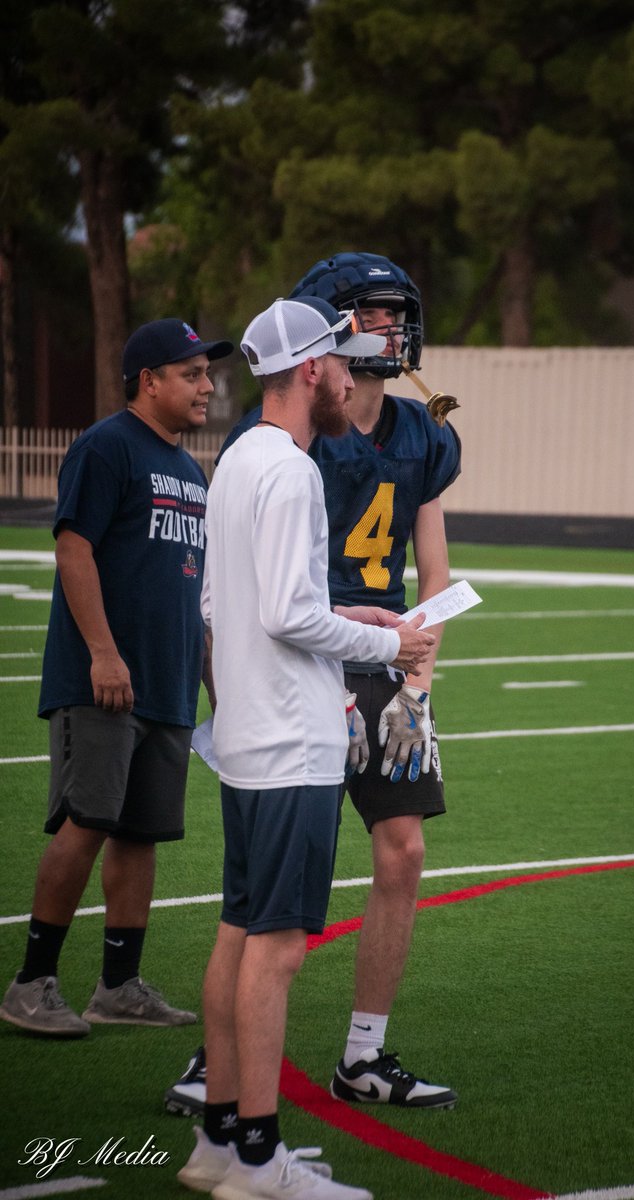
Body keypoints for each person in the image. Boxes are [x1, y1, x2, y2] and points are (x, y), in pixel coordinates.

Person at [166, 252, 461, 1119]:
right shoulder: (286, 446)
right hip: (304, 667)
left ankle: (363, 1052)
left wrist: (417, 687)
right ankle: (218, 1063)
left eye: (396, 314)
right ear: (325, 338)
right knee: (267, 896)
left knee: (403, 851)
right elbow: (261, 602)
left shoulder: (420, 434)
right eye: (372, 314)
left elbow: (434, 575)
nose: (391, 329)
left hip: (379, 655)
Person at [0, 318, 233, 1037]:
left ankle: (119, 985)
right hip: (103, 681)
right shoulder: (106, 446)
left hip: (167, 684)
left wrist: (214, 682)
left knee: (141, 833)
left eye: (207, 373)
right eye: (192, 374)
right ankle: (31, 983)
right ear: (149, 381)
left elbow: (190, 590)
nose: (207, 386)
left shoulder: (191, 471)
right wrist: (102, 652)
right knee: (89, 821)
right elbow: (74, 550)